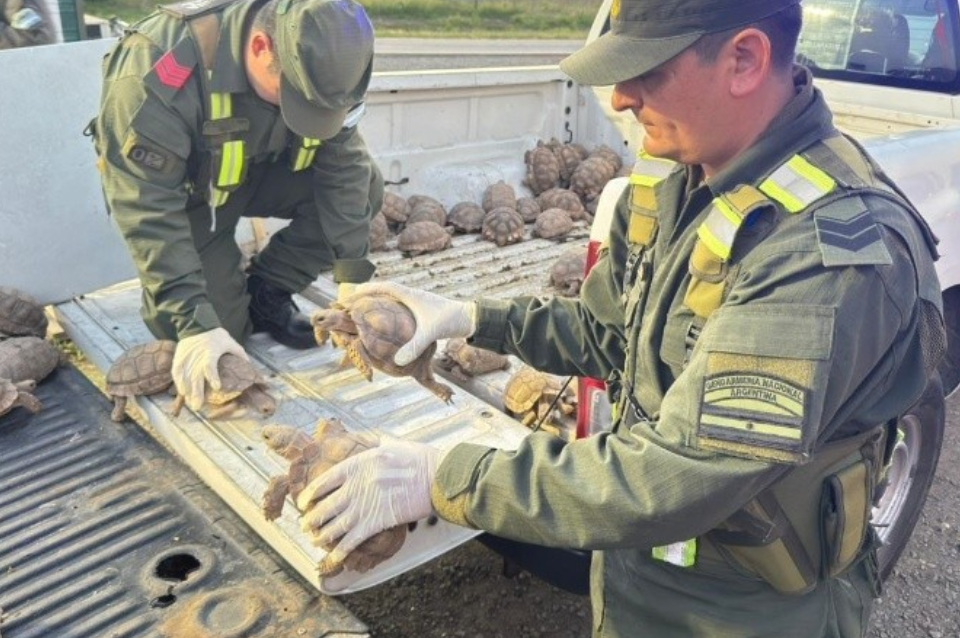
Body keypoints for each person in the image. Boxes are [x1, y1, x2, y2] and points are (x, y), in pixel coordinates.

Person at [295, 0, 945, 636]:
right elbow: (612, 335)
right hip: (636, 577)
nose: (618, 100)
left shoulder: (830, 252)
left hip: (745, 610)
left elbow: (680, 476)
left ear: (744, 58)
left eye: (647, 71)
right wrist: (470, 318)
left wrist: (443, 478)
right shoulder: (678, 176)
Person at [92, 0, 383, 410]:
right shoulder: (157, 69)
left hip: (261, 174)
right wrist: (194, 322)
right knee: (221, 339)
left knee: (366, 187)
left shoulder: (331, 65)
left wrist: (354, 277)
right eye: (297, 101)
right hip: (191, 203)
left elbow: (345, 167)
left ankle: (267, 290)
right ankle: (212, 302)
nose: (308, 116)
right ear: (261, 47)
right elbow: (147, 209)